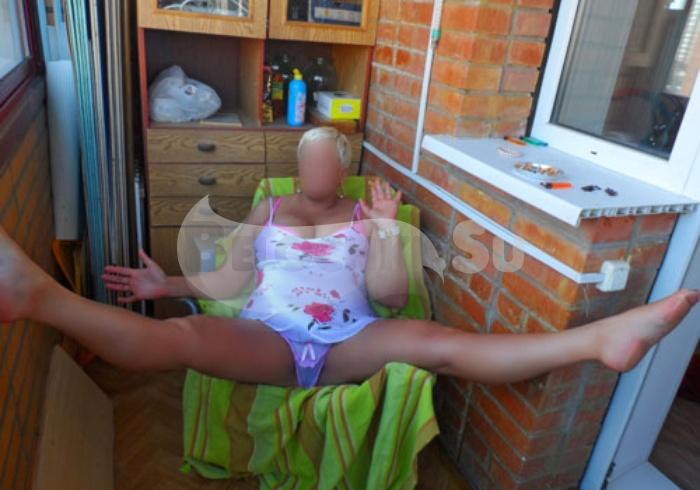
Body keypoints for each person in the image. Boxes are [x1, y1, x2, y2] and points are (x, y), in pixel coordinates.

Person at [1, 126, 698, 389]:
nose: (317, 167)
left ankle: (601, 340)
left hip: (352, 338)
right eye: (307, 156)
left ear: (343, 168)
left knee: (443, 344)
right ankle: (36, 295)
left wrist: (388, 230)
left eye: (328, 157)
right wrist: (169, 283)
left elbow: (391, 298)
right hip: (269, 334)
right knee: (183, 335)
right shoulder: (267, 209)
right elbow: (233, 278)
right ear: (296, 166)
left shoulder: (369, 216)